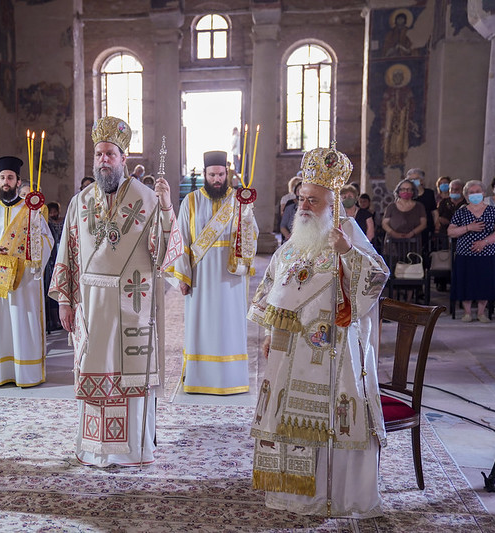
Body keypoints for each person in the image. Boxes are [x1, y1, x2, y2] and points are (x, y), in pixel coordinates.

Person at [249, 145, 389, 518]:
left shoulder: (348, 235)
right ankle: (292, 492)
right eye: (301, 199)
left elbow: (377, 276)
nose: (305, 206)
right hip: (289, 350)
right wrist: (268, 333)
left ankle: (337, 494)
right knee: (286, 414)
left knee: (335, 417)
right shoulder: (294, 244)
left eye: (314, 200)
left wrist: (346, 254)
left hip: (335, 351)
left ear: (334, 206)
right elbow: (273, 288)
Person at [49, 116, 174, 467]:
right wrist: (64, 299)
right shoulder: (80, 202)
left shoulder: (148, 199)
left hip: (131, 306)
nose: (104, 159)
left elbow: (165, 253)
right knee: (93, 371)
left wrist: (166, 207)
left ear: (124, 158)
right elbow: (68, 254)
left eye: (110, 154)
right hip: (90, 307)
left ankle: (132, 449)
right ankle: (93, 448)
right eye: (99, 154)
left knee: (127, 378)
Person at [164, 150, 258, 395]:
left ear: (227, 173)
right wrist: (182, 276)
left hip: (231, 276)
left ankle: (231, 378)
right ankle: (199, 378)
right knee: (202, 326)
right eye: (212, 174)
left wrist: (246, 222)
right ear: (204, 174)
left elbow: (252, 236)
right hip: (201, 277)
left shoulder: (240, 201)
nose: (217, 179)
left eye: (221, 174)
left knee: (230, 325)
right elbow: (181, 238)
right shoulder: (191, 201)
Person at [0, 156, 54, 387]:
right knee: (0, 322)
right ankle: (1, 372)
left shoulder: (30, 210)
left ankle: (26, 373)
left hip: (25, 279)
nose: (5, 182)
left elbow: (47, 239)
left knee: (22, 320)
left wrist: (32, 253)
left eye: (10, 177)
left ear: (18, 182)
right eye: (2, 178)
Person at [447, 180, 495, 323]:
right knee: (466, 282)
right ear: (466, 195)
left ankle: (481, 312)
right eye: (471, 192)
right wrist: (468, 228)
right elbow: (451, 232)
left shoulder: (492, 210)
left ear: (484, 193)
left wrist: (484, 242)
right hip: (465, 254)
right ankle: (467, 312)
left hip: (487, 253)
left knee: (484, 282)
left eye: (477, 191)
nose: (475, 194)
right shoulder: (461, 212)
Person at [381, 178, 426, 244]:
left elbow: (423, 224)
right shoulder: (391, 207)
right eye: (403, 189)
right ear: (398, 191)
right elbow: (384, 224)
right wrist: (394, 234)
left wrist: (412, 233)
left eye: (408, 189)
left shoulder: (419, 206)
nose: (406, 191)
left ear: (413, 191)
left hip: (413, 242)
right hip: (392, 243)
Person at [44, 201, 63, 332]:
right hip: (51, 259)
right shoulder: (47, 223)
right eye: (51, 212)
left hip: (61, 254)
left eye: (55, 211)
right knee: (51, 289)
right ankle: (53, 319)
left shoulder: (62, 221)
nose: (53, 214)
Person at [407, 168, 438, 240]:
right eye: (411, 179)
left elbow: (434, 211)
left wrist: (436, 226)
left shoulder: (429, 193)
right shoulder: (407, 195)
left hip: (427, 226)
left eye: (416, 179)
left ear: (421, 180)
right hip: (411, 227)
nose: (413, 181)